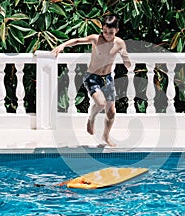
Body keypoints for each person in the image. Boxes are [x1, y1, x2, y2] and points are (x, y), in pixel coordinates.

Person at [52, 15, 131, 147]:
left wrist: (125, 57)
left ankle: (105, 136)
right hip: (92, 77)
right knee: (100, 103)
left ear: (117, 30)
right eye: (104, 31)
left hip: (107, 78)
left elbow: (128, 65)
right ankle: (91, 118)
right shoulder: (96, 39)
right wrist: (63, 45)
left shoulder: (120, 43)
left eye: (111, 32)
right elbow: (77, 41)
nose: (107, 35)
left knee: (111, 113)